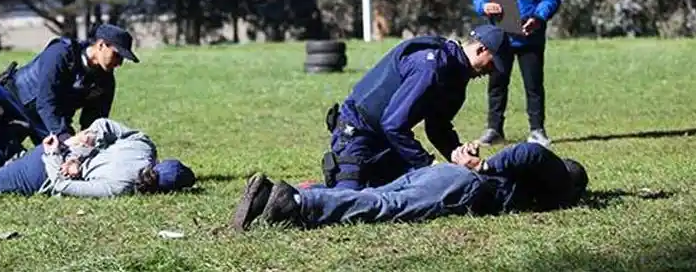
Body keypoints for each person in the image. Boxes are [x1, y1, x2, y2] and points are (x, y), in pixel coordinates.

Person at [0, 24, 141, 201]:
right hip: (9, 98)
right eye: (117, 55)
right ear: (101, 45)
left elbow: (94, 123)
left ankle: (2, 147)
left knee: (20, 163)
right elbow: (46, 100)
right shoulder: (62, 53)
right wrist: (63, 136)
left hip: (43, 125)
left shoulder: (105, 82)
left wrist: (81, 150)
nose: (119, 63)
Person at [230, 142, 588, 231]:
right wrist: (485, 165)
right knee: (386, 207)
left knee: (374, 196)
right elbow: (532, 151)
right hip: (463, 185)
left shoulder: (534, 187)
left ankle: (274, 197)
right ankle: (297, 202)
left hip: (445, 174)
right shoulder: (560, 188)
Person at [319, 24, 511, 191]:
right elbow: (393, 124)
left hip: (387, 142)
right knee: (349, 197)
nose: (491, 71)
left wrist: (457, 154)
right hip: (357, 133)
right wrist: (427, 164)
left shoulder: (456, 77)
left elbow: (438, 127)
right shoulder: (430, 66)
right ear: (481, 49)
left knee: (415, 191)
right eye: (493, 64)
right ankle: (300, 198)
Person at [471, 0, 563, 148]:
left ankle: (537, 130)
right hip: (500, 36)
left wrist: (538, 17)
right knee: (497, 84)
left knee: (533, 85)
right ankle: (494, 129)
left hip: (530, 36)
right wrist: (484, 6)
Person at [0, 118, 196, 197]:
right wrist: (54, 156)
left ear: (161, 161)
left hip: (61, 149)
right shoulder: (122, 187)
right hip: (44, 167)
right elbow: (61, 184)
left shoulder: (144, 146)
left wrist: (89, 137)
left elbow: (103, 124)